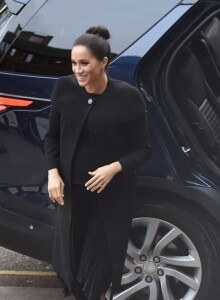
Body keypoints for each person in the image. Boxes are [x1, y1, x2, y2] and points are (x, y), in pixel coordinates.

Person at [44, 25, 151, 300]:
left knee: (97, 275)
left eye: (84, 63)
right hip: (71, 194)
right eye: (73, 63)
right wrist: (53, 173)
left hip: (111, 198)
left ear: (103, 62)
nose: (77, 70)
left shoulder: (128, 97)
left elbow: (143, 148)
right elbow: (52, 137)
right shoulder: (64, 88)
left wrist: (115, 167)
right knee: (72, 266)